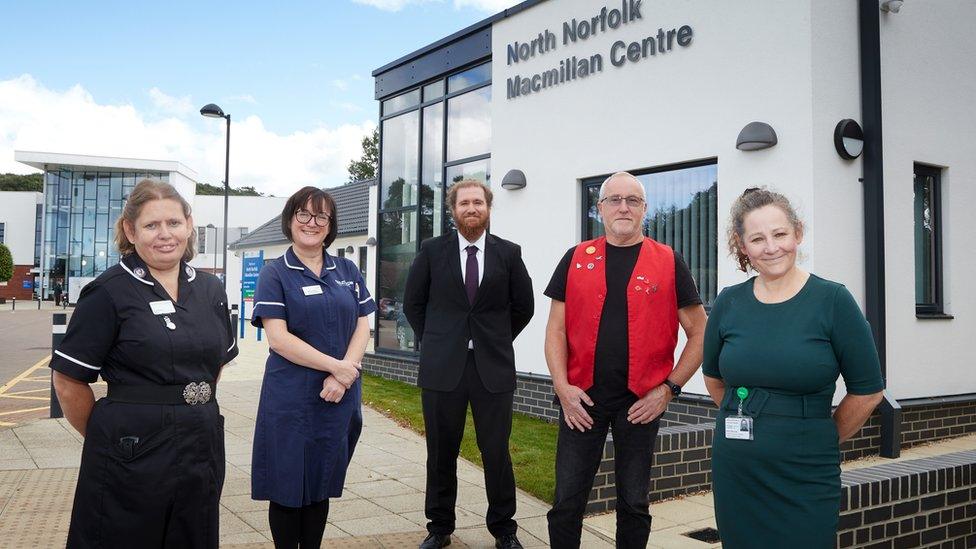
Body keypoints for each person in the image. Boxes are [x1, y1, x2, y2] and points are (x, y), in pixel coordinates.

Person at [50, 179, 238, 548]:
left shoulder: (210, 290)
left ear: (189, 224)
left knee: (192, 536)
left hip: (201, 442)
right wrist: (111, 440)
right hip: (131, 447)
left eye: (173, 223)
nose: (164, 234)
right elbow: (68, 381)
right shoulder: (108, 292)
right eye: (151, 225)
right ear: (129, 231)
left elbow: (213, 364)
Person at [703, 187, 885, 548]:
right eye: (757, 238)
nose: (771, 247)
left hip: (806, 469)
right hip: (738, 469)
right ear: (743, 245)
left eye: (780, 234)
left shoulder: (833, 300)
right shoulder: (729, 302)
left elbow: (868, 391)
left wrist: (819, 436)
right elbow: (713, 379)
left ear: (797, 233)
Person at [544, 171, 707, 549]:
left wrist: (669, 390)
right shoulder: (575, 258)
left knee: (634, 503)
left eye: (632, 200)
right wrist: (562, 387)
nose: (623, 207)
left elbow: (701, 333)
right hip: (581, 400)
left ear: (644, 209)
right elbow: (555, 330)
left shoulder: (669, 260)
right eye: (614, 199)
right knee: (567, 500)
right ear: (599, 208)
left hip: (641, 402)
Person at [403, 180, 534, 549]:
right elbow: (413, 304)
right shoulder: (431, 251)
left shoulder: (508, 253)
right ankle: (440, 527)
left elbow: (523, 307)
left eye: (478, 202)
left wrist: (494, 338)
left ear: (489, 208)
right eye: (464, 203)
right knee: (441, 452)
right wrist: (439, 340)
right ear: (453, 209)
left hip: (491, 368)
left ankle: (504, 530)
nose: (471, 208)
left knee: (496, 453)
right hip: (443, 369)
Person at [250, 186, 375, 549]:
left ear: (330, 225)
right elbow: (279, 339)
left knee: (322, 481)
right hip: (292, 398)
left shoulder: (347, 269)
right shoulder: (275, 273)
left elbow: (363, 323)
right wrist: (338, 368)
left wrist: (345, 372)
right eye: (303, 214)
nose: (312, 222)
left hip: (337, 397)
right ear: (290, 220)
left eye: (322, 216)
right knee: (288, 486)